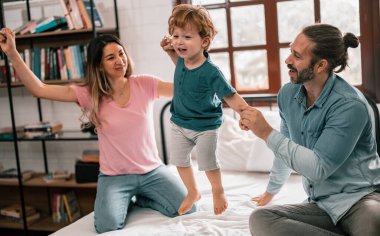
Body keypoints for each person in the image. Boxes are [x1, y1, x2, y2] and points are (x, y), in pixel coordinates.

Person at [0, 28, 195, 234]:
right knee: (106, 226)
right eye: (110, 57)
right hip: (114, 177)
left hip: (152, 172)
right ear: (100, 66)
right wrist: (12, 54)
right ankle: (130, 197)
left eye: (121, 53)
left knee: (189, 208)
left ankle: (144, 198)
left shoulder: (144, 84)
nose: (120, 60)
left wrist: (174, 55)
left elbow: (187, 89)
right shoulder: (89, 94)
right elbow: (39, 89)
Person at [240, 23, 380, 236]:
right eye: (290, 52)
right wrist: (271, 191)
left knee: (373, 223)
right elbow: (286, 147)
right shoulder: (287, 95)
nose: (287, 60)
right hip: (321, 205)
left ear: (320, 65)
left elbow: (318, 168)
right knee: (261, 219)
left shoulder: (350, 105)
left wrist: (266, 133)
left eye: (296, 56)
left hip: (361, 199)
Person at [160, 4, 248, 215]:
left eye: (187, 37)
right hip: (179, 122)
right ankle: (193, 191)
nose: (179, 41)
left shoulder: (211, 72)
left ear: (204, 42)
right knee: (179, 161)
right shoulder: (181, 60)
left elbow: (230, 95)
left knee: (208, 162)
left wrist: (245, 112)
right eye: (175, 35)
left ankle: (218, 190)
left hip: (205, 126)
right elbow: (177, 62)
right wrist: (168, 49)